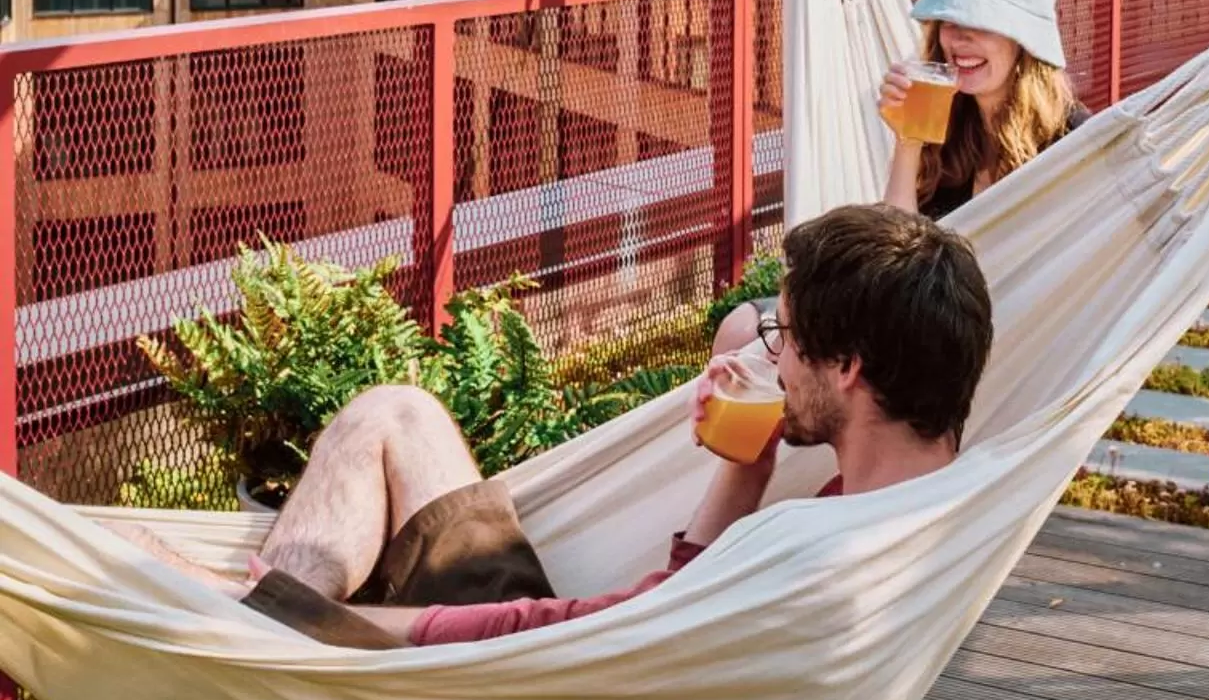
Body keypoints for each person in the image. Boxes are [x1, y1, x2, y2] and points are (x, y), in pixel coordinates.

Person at [110, 203, 992, 650]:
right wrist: (745, 468)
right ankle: (277, 607)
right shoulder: (941, 488)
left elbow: (585, 634)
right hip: (597, 673)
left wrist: (315, 622)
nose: (774, 352)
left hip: (519, 692)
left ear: (849, 369)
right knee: (401, 413)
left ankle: (262, 626)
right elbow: (675, 617)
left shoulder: (810, 547)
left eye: (787, 337)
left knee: (378, 426)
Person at [880, 0, 1089, 221]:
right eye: (950, 21)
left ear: (1024, 45)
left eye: (983, 25)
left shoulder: (1072, 140)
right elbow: (899, 244)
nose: (961, 38)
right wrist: (909, 139)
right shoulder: (947, 128)